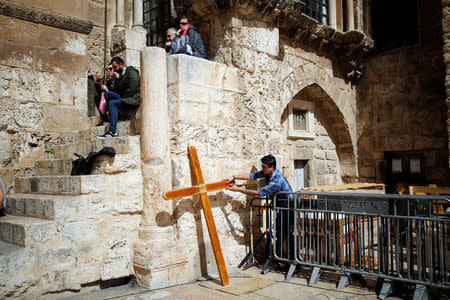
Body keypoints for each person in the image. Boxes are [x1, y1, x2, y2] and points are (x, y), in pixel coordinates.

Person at [226, 155, 295, 260]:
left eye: (264, 167)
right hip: (281, 207)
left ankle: (291, 261)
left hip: (288, 208)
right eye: (262, 166)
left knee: (287, 235)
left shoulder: (277, 181)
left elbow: (258, 193)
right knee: (280, 233)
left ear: (271, 167)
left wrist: (238, 190)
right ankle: (282, 259)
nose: (262, 169)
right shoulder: (267, 172)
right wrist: (234, 177)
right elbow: (251, 176)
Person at [98, 57, 140, 139]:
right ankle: (118, 115)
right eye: (112, 68)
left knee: (113, 103)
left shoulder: (132, 72)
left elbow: (131, 90)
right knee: (107, 94)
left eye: (115, 67)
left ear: (121, 65)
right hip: (125, 97)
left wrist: (120, 99)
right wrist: (117, 78)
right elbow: (117, 90)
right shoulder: (120, 75)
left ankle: (112, 131)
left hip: (133, 98)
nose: (114, 69)